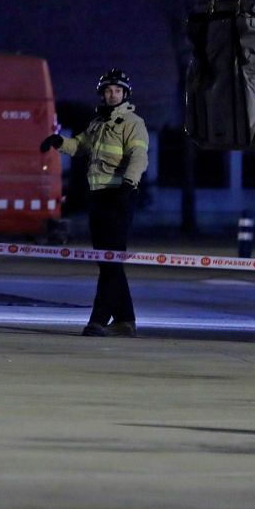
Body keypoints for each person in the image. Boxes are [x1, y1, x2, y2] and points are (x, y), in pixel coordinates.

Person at [41, 68, 149, 336]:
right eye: (108, 91)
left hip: (119, 196)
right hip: (98, 196)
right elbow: (79, 146)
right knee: (107, 261)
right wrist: (59, 142)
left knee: (110, 259)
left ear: (125, 94)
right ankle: (126, 322)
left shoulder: (133, 123)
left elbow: (138, 156)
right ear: (103, 94)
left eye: (117, 91)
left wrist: (128, 184)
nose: (113, 95)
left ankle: (98, 320)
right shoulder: (97, 123)